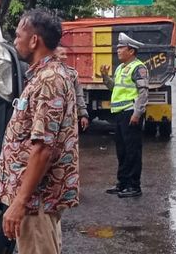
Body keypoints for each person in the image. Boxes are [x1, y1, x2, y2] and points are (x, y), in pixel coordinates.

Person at [0, 9, 79, 254]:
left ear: (34, 40)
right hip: (37, 200)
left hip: (36, 202)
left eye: (19, 34)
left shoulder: (49, 80)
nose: (15, 39)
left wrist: (19, 203)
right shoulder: (46, 77)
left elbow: (43, 150)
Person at [100, 32, 148, 198]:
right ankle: (122, 184)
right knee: (122, 151)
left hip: (130, 113)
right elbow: (115, 88)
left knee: (132, 151)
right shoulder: (121, 67)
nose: (118, 50)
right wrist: (105, 77)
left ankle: (134, 186)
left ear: (131, 51)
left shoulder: (139, 67)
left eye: (121, 48)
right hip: (120, 114)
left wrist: (137, 112)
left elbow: (143, 92)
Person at [55, 46, 91, 131]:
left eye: (66, 54)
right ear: (54, 55)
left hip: (68, 119)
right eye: (62, 54)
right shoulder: (45, 73)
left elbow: (79, 95)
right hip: (51, 117)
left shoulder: (72, 74)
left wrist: (83, 115)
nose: (65, 57)